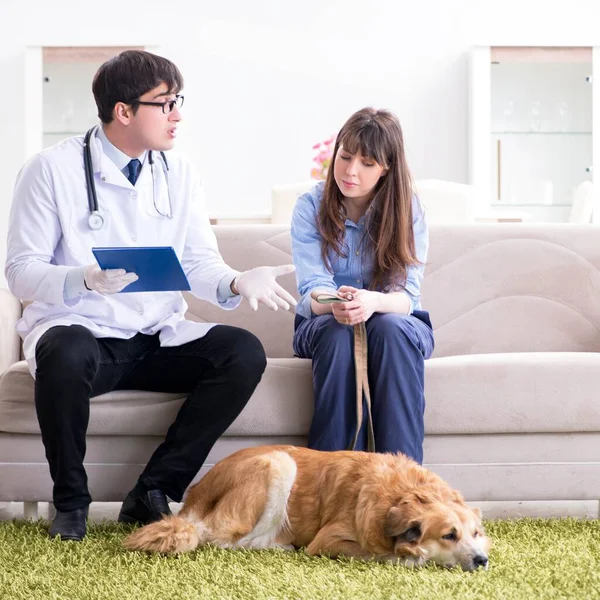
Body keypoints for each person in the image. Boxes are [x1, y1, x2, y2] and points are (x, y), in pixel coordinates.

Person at [5, 50, 296, 541]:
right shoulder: (49, 170)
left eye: (177, 101)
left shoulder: (178, 172)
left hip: (155, 334)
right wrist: (82, 278)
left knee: (241, 352)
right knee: (65, 349)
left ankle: (153, 490)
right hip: (86, 337)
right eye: (165, 104)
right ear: (124, 111)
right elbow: (20, 272)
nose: (177, 115)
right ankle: (71, 502)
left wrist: (236, 281)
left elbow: (198, 262)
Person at [291, 107, 434, 462]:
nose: (350, 171)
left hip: (392, 321)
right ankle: (330, 484)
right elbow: (312, 290)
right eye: (345, 156)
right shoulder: (310, 206)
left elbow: (407, 297)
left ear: (387, 168)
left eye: (367, 163)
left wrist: (371, 302)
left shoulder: (408, 209)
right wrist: (337, 304)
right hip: (326, 321)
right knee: (339, 332)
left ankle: (403, 484)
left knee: (391, 329)